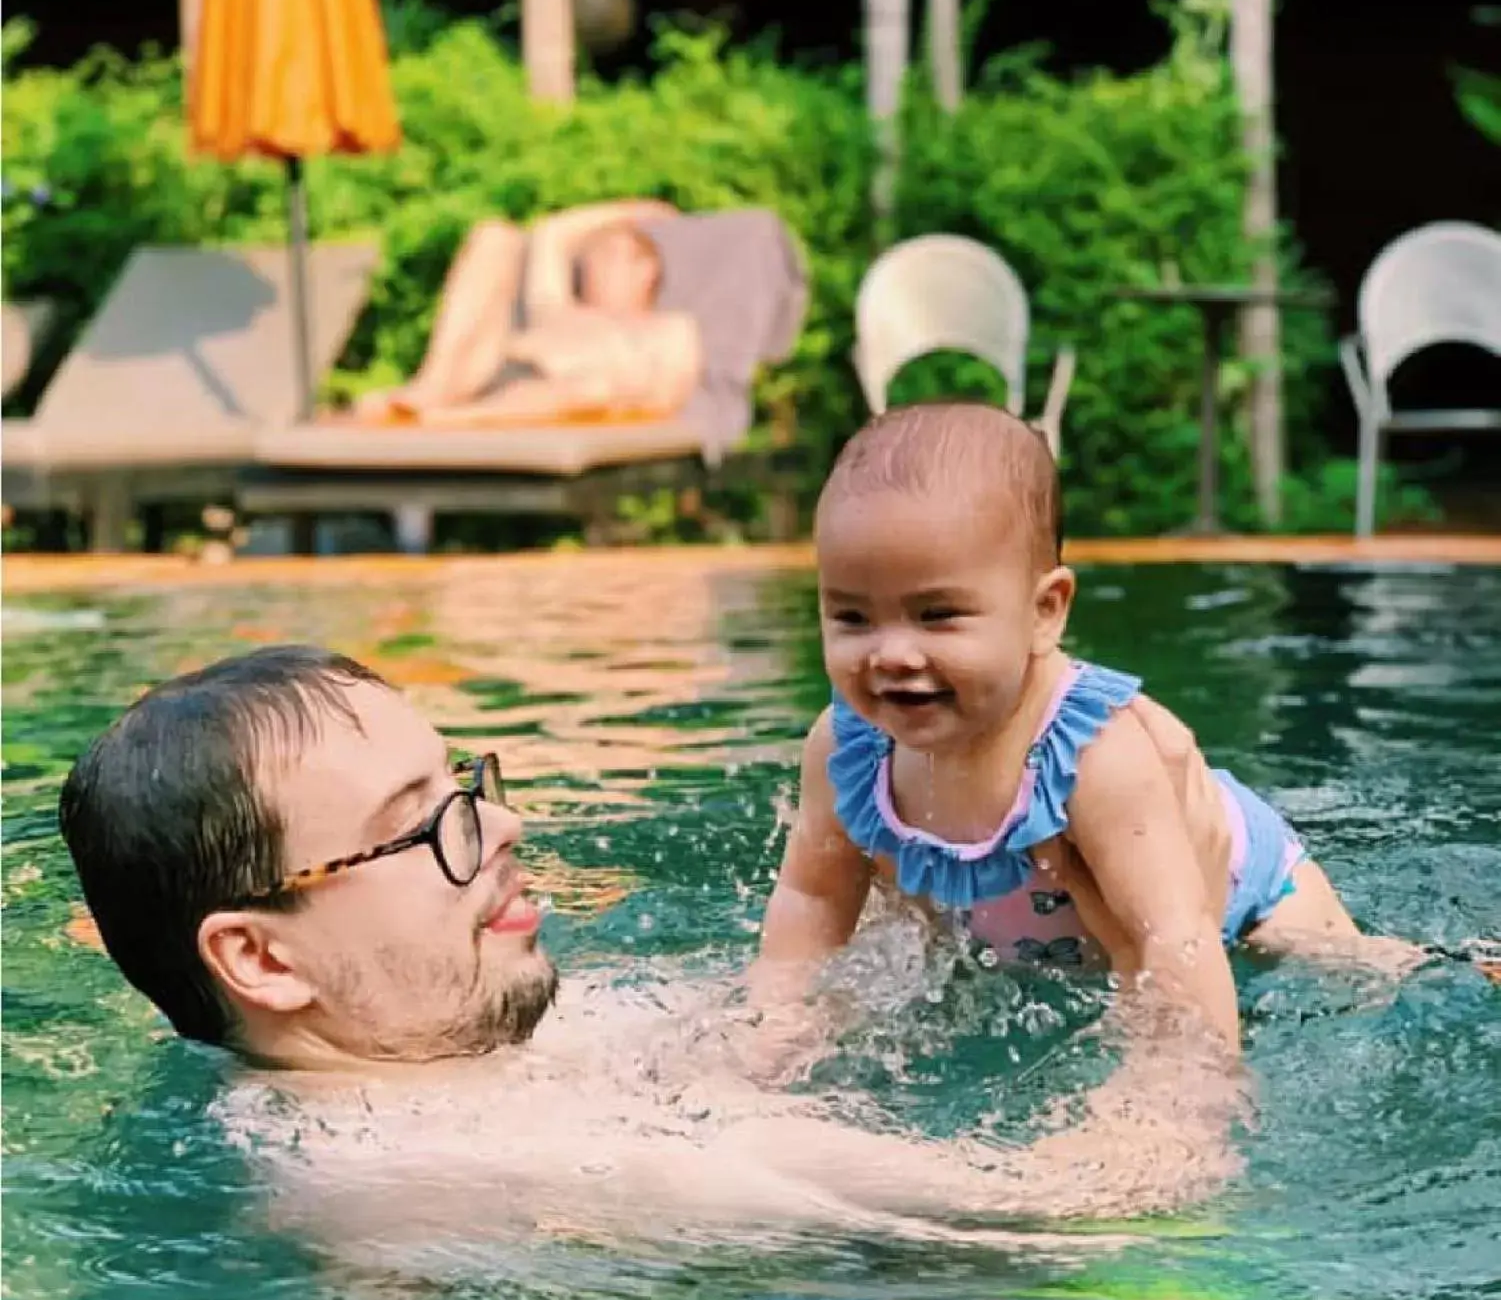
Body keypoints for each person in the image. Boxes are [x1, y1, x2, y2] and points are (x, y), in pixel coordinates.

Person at [57, 646, 1247, 1254]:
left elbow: (785, 1015)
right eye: (424, 828)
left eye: (465, 786)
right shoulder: (487, 1167)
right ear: (262, 961)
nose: (506, 825)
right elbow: (1113, 1210)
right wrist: (1164, 964)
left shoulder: (437, 1062)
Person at [759, 402, 1389, 1050]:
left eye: (937, 613)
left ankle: (1425, 960)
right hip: (1048, 945)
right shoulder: (847, 748)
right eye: (852, 618)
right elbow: (810, 898)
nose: (890, 653)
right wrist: (777, 1024)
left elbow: (1173, 936)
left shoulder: (1093, 757)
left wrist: (1175, 1095)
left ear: (1044, 612)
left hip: (1247, 894)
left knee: (1341, 970)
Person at [351, 201, 702, 428]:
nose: (600, 267)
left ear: (649, 271)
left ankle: (450, 418)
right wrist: (635, 210)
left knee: (592, 389)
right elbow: (553, 231)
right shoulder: (558, 308)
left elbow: (670, 393)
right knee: (495, 236)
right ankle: (431, 388)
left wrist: (625, 396)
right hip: (487, 371)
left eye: (619, 257)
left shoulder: (669, 329)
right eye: (595, 256)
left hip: (565, 398)